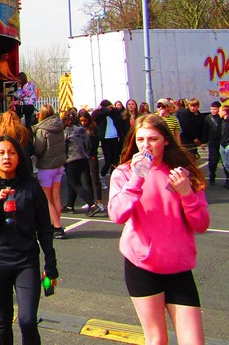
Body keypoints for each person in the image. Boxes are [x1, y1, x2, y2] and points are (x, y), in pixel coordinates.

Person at [108, 113, 209, 344]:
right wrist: (138, 177)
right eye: (140, 139)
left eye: (153, 139)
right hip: (142, 265)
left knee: (194, 340)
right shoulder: (124, 173)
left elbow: (201, 224)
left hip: (178, 265)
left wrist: (187, 194)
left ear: (166, 140)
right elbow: (117, 215)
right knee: (156, 339)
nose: (146, 145)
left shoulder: (183, 173)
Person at [0, 136, 59, 345]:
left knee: (28, 321)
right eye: (1, 153)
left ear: (19, 158)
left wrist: (51, 264)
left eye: (12, 153)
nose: (7, 157)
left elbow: (44, 228)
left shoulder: (31, 186)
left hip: (26, 262)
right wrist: (0, 202)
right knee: (3, 321)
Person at [33, 104, 67, 239]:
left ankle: (56, 226)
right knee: (56, 196)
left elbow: (38, 150)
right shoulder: (59, 126)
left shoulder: (42, 129)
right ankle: (57, 224)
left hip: (47, 166)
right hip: (59, 165)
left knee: (47, 199)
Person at [61, 109, 99, 215]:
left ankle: (92, 205)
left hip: (72, 160)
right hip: (84, 159)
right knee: (72, 182)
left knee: (76, 184)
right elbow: (88, 145)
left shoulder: (67, 131)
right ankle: (70, 205)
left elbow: (62, 146)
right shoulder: (83, 130)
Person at [92, 99, 123, 183]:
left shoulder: (114, 114)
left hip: (115, 138)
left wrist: (110, 108)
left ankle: (114, 178)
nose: (110, 109)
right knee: (108, 161)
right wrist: (104, 109)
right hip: (105, 139)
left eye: (110, 107)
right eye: (108, 107)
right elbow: (96, 116)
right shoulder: (100, 114)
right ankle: (102, 175)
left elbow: (118, 112)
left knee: (115, 161)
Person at [204, 101, 223, 186]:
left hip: (223, 141)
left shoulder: (222, 117)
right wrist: (204, 141)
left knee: (225, 162)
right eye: (211, 109)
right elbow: (204, 130)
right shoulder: (208, 118)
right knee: (213, 161)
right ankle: (212, 175)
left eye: (214, 109)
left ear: (219, 109)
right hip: (212, 142)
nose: (212, 111)